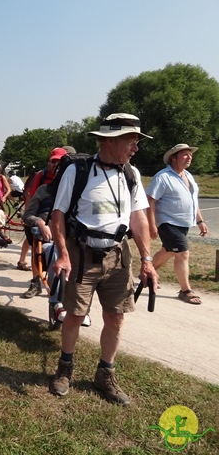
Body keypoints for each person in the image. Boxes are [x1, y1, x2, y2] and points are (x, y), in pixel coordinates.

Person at [48, 113, 159, 406]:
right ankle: (65, 368)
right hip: (81, 255)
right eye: (131, 141)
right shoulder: (78, 171)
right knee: (74, 315)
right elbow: (57, 215)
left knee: (116, 317)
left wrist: (147, 259)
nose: (135, 147)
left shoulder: (131, 174)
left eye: (136, 142)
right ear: (110, 140)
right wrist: (62, 254)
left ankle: (105, 374)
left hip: (118, 256)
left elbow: (139, 219)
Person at [146, 143, 208, 305]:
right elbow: (150, 200)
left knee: (168, 250)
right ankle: (185, 290)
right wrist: (152, 225)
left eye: (190, 155)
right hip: (168, 222)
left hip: (184, 223)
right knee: (182, 253)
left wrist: (200, 220)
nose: (189, 158)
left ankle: (147, 273)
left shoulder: (188, 176)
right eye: (185, 155)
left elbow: (193, 201)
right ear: (174, 158)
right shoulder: (163, 177)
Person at [16, 148, 67, 271]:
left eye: (59, 162)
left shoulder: (73, 187)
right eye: (54, 162)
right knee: (35, 245)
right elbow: (30, 199)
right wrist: (37, 222)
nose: (56, 166)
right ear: (49, 162)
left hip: (64, 229)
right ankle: (35, 282)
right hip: (42, 223)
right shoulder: (42, 183)